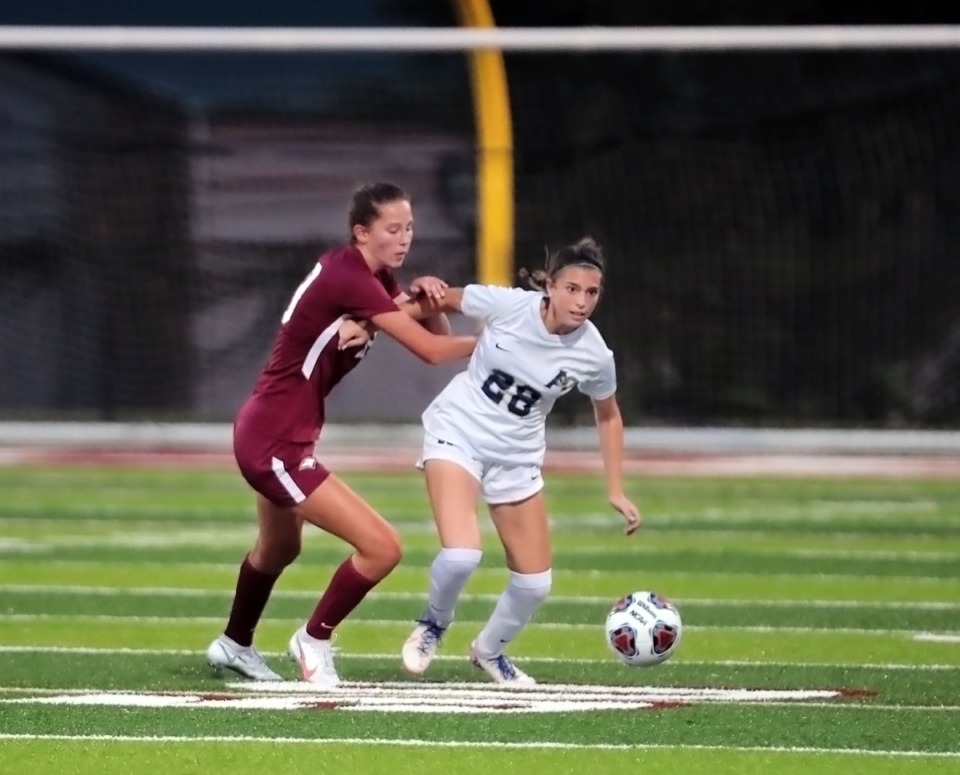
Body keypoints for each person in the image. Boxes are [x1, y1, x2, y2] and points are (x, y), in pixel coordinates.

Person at [205, 182, 473, 687]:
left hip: (279, 433)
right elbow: (434, 352)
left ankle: (234, 644)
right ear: (361, 232)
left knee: (278, 550)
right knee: (383, 548)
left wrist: (430, 296)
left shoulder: (372, 274)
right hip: (274, 442)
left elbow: (427, 329)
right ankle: (314, 638)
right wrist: (503, 345)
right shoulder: (348, 275)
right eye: (392, 229)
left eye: (410, 228)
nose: (404, 238)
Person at [398, 236, 642, 685]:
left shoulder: (594, 353)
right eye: (572, 289)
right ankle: (434, 622)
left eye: (592, 293)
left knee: (535, 584)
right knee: (462, 554)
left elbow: (608, 416)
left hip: (517, 456)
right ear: (549, 286)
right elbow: (437, 299)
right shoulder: (509, 306)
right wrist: (373, 323)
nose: (582, 301)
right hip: (460, 433)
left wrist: (615, 488)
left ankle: (489, 652)